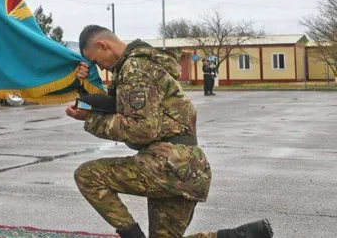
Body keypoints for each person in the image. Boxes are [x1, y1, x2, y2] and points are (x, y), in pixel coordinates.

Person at [66, 25, 272, 238]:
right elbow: (118, 104)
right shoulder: (144, 63)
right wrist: (85, 90)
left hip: (167, 163)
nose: (100, 67)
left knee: (88, 175)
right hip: (187, 166)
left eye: (97, 61)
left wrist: (91, 120)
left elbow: (142, 130)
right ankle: (241, 236)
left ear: (103, 45)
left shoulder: (135, 68)